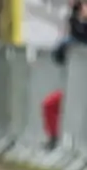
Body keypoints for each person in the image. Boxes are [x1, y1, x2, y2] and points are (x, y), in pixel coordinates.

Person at [42, 0, 87, 150]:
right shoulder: (74, 21)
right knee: (50, 104)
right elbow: (59, 55)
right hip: (77, 85)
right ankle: (54, 140)